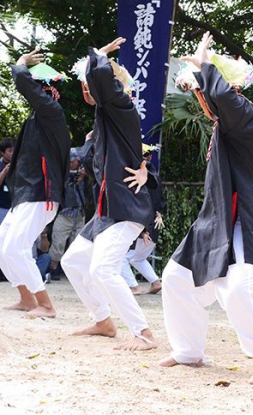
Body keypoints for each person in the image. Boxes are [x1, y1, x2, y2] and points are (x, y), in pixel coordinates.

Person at [158, 32, 253, 385]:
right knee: (176, 278)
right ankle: (188, 351)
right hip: (214, 219)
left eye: (204, 90)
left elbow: (224, 97)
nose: (200, 98)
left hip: (240, 217)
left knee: (239, 286)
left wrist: (205, 63)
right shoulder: (226, 127)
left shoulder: (247, 115)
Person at [60, 38, 158, 351]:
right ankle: (103, 320)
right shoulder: (106, 119)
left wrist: (98, 56)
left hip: (126, 206)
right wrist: (143, 167)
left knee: (102, 269)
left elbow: (145, 161)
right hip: (106, 210)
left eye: (89, 85)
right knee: (74, 261)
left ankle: (143, 333)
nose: (85, 91)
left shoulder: (122, 108)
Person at [0, 51, 70, 318]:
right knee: (3, 246)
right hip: (27, 194)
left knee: (16, 248)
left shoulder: (52, 112)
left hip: (42, 192)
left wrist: (21, 64)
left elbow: (22, 81)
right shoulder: (39, 117)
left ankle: (46, 305)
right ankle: (27, 299)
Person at [120, 144, 165, 295]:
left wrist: (143, 230)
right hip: (154, 223)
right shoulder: (155, 176)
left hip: (144, 224)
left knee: (119, 257)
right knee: (137, 258)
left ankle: (133, 286)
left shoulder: (142, 177)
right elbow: (160, 203)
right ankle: (155, 282)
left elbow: (143, 203)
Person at [48, 148, 86, 278]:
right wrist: (79, 177)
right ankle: (52, 270)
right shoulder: (62, 173)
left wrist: (83, 175)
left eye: (73, 161)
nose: (71, 163)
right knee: (58, 243)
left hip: (80, 214)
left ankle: (75, 273)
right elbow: (68, 186)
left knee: (77, 246)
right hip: (65, 214)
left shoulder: (85, 172)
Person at [0, 138, 14, 224]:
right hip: (2, 207)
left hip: (16, 207)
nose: (13, 153)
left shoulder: (19, 164)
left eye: (14, 150)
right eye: (10, 151)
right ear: (2, 152)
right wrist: (5, 171)